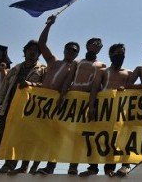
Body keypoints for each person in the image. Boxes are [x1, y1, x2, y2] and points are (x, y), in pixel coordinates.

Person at [0, 40, 45, 174]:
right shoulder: (15, 68)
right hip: (9, 106)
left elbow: (45, 87)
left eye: (35, 50)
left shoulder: (42, 69)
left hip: (26, 109)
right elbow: (4, 87)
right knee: (0, 137)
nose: (32, 52)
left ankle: (9, 165)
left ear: (39, 54)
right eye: (30, 49)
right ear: (25, 51)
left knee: (17, 138)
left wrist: (31, 84)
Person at [34, 15, 80, 175]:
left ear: (76, 54)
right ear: (64, 50)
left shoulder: (74, 69)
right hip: (40, 100)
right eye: (69, 49)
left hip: (56, 103)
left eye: (74, 51)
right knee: (34, 133)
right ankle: (28, 166)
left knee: (53, 136)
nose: (71, 52)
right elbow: (41, 44)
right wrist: (49, 25)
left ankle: (49, 167)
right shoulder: (53, 61)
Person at [59, 37, 106, 176]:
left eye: (99, 45)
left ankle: (73, 165)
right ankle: (51, 164)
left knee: (80, 134)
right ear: (88, 45)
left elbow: (98, 87)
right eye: (94, 43)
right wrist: (62, 95)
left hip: (86, 100)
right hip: (73, 97)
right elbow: (69, 78)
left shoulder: (101, 65)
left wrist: (92, 105)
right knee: (62, 131)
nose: (97, 46)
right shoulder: (77, 62)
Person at [88, 43, 132, 177]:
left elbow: (131, 89)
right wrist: (91, 106)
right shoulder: (102, 71)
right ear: (111, 55)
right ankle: (93, 167)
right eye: (118, 53)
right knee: (98, 137)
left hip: (119, 110)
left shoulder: (128, 73)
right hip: (103, 108)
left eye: (123, 53)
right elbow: (95, 88)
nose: (121, 56)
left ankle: (110, 167)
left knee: (115, 138)